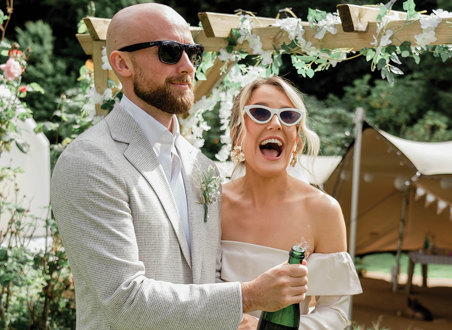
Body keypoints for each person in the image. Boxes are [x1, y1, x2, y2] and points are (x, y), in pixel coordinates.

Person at [50, 4, 309, 329]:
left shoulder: (203, 168)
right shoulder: (89, 161)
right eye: (170, 52)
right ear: (122, 63)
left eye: (193, 53)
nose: (188, 66)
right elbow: (124, 300)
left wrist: (238, 320)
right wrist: (249, 297)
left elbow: (205, 278)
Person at [221, 76, 363, 329]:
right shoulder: (211, 205)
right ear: (236, 135)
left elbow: (336, 313)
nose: (275, 123)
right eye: (260, 112)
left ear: (296, 140)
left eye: (288, 116)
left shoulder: (323, 211)